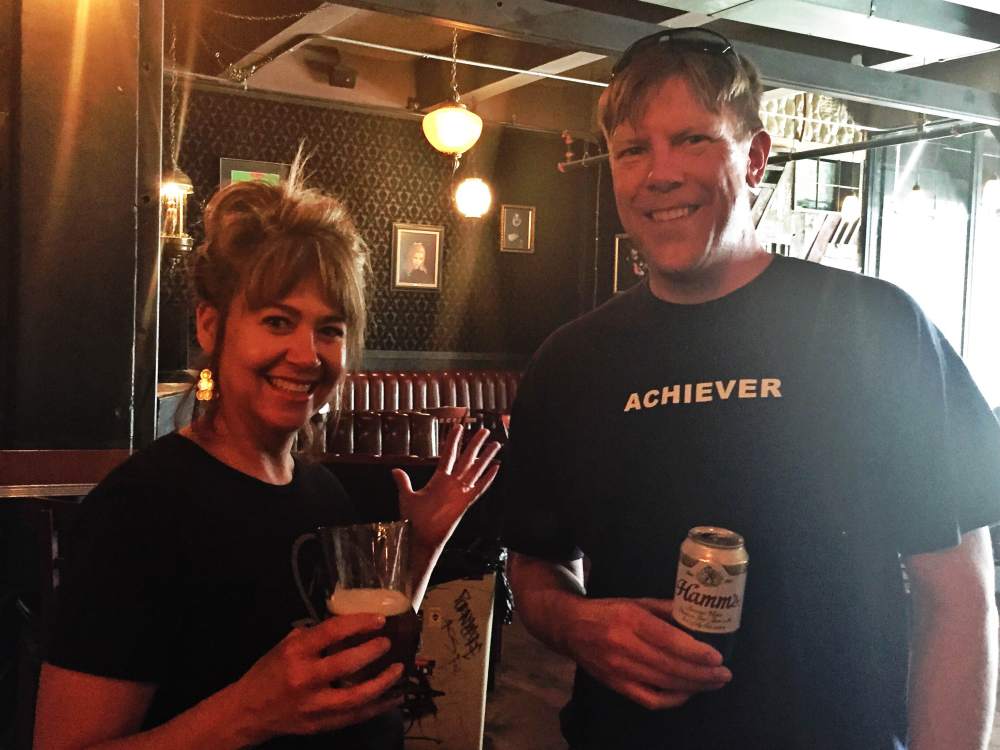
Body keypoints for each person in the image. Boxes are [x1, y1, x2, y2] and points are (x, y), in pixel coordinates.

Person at [501, 27, 1000, 750]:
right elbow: (535, 566)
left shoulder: (876, 327)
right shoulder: (568, 362)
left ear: (757, 157)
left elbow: (958, 598)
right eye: (633, 149)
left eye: (693, 141)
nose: (659, 173)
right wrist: (577, 624)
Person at [34, 161, 500, 749]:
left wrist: (423, 546)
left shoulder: (322, 492)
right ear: (210, 326)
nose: (308, 355)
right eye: (278, 320)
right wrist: (247, 712)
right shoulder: (137, 509)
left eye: (329, 329)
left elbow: (344, 659)